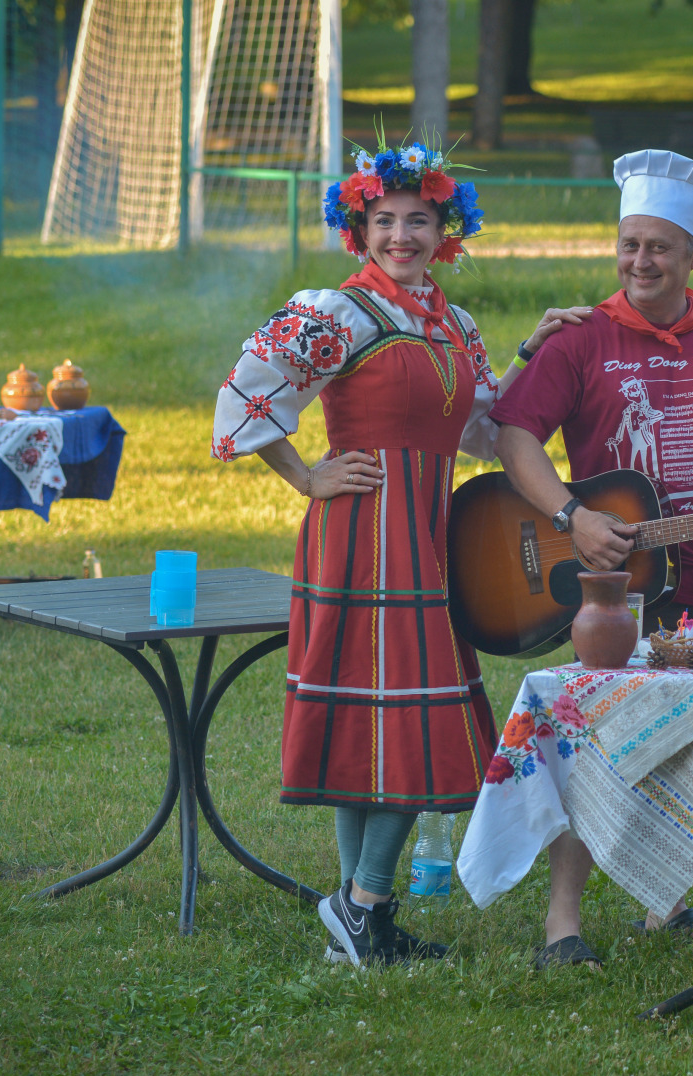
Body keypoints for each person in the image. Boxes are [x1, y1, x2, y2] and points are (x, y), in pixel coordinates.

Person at [488, 149, 693, 969]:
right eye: (629, 244)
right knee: (595, 741)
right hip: (610, 585)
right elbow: (515, 437)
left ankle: (667, 898)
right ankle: (563, 922)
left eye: (659, 247)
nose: (640, 262)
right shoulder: (579, 340)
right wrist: (571, 514)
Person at [211, 137, 516, 969]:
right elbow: (245, 393)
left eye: (420, 220)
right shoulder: (338, 312)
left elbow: (487, 426)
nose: (403, 237)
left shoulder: (455, 323)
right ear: (361, 228)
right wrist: (308, 476)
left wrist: (540, 355)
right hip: (363, 532)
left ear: (446, 230)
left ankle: (362, 924)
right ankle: (364, 900)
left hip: (426, 535)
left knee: (382, 718)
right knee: (413, 720)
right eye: (386, 220)